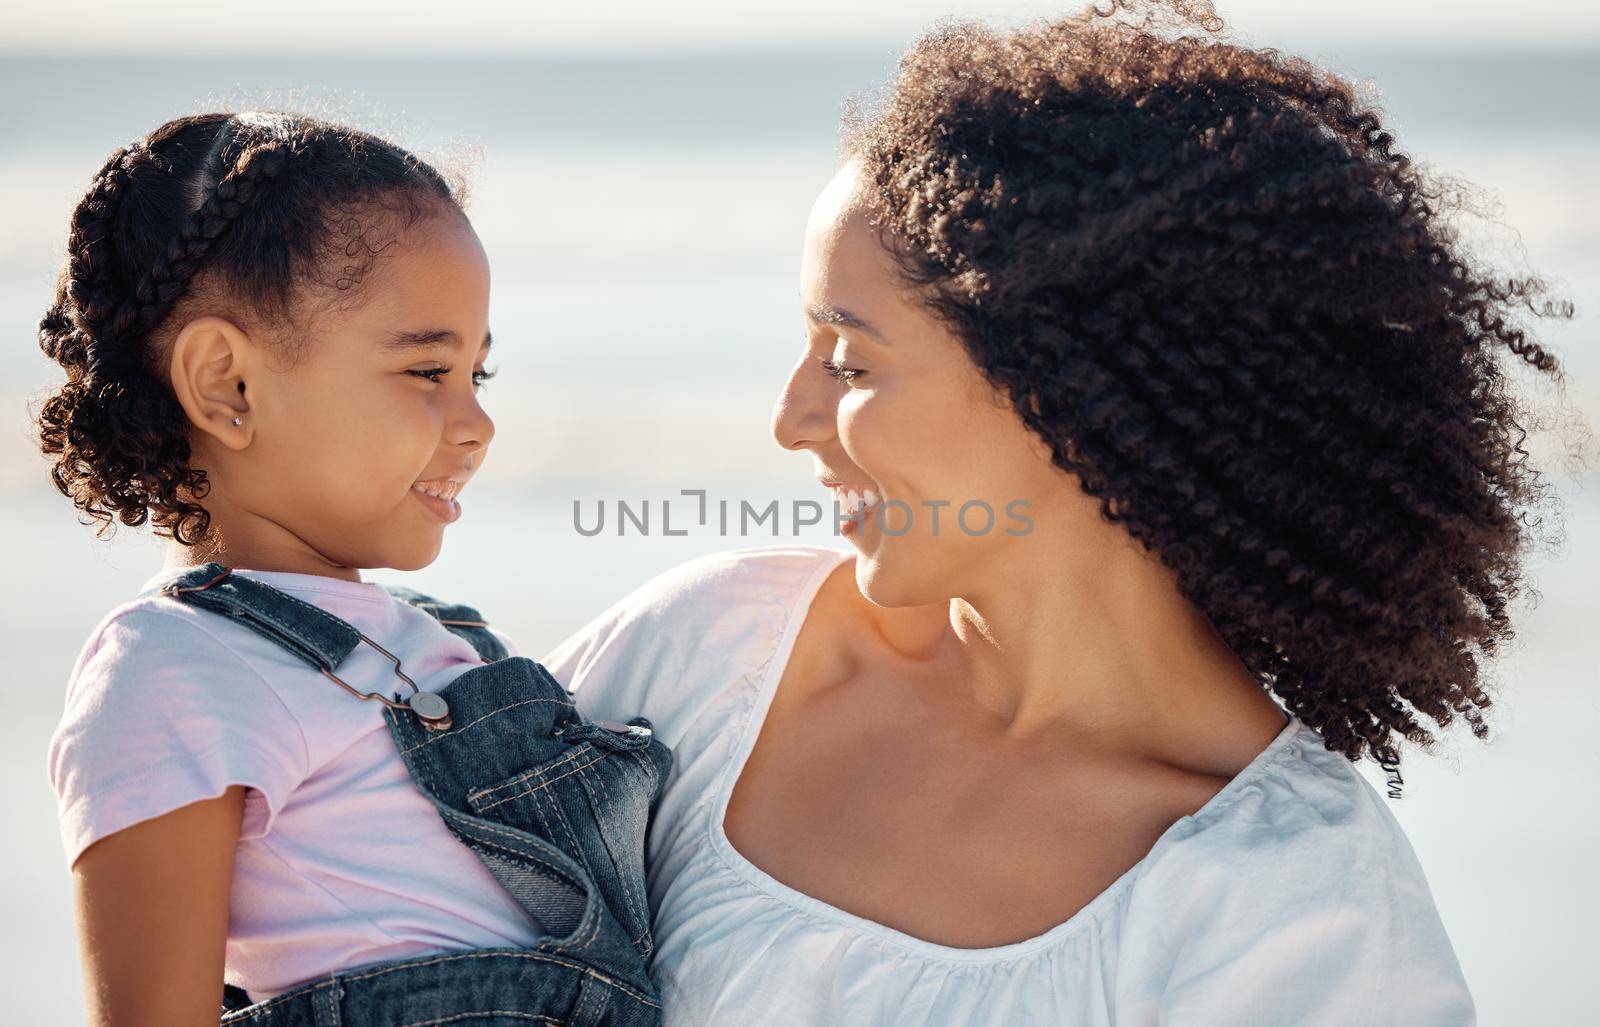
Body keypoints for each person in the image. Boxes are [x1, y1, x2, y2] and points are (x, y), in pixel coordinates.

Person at [542, 3, 1574, 1023]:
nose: (790, 419)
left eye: (850, 359)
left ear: (1073, 396)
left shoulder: (1294, 907)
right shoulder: (705, 656)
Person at [37, 111, 672, 1025]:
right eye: (427, 370)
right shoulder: (171, 670)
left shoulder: (448, 643)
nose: (477, 424)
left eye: (477, 377)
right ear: (228, 383)